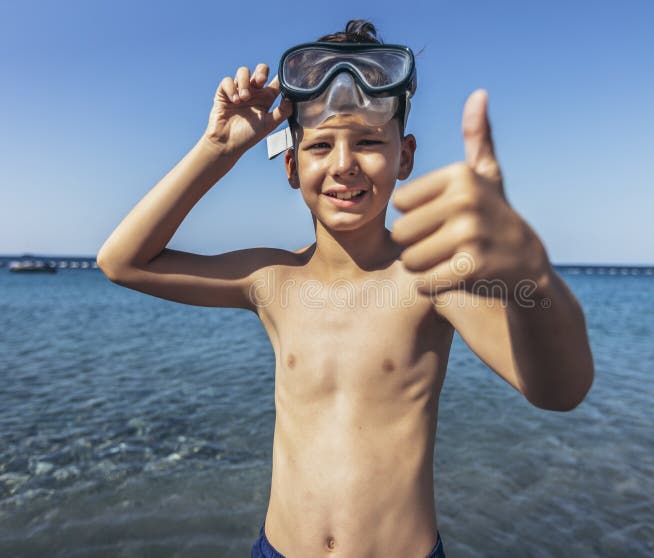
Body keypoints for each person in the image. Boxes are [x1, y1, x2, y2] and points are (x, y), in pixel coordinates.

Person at [97, 19, 594, 558]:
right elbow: (123, 262)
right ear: (290, 166)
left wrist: (533, 279)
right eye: (319, 147)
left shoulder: (431, 279)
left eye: (368, 141)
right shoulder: (271, 281)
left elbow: (558, 391)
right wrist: (217, 148)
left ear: (404, 156)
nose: (343, 164)